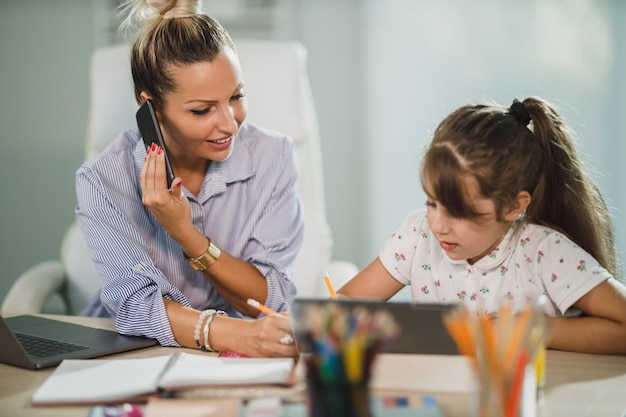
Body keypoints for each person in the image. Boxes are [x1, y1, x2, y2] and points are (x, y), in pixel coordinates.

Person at [75, 0, 303, 357]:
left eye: (236, 96)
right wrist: (236, 335)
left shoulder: (273, 157)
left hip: (234, 355)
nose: (230, 123)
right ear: (151, 107)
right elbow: (135, 307)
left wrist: (186, 234)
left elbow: (269, 296)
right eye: (202, 110)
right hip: (135, 354)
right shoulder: (103, 179)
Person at [338, 96, 626, 355]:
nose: (438, 226)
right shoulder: (418, 235)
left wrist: (529, 329)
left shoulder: (543, 252)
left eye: (461, 212)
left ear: (513, 206)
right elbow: (345, 302)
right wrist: (314, 327)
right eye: (432, 202)